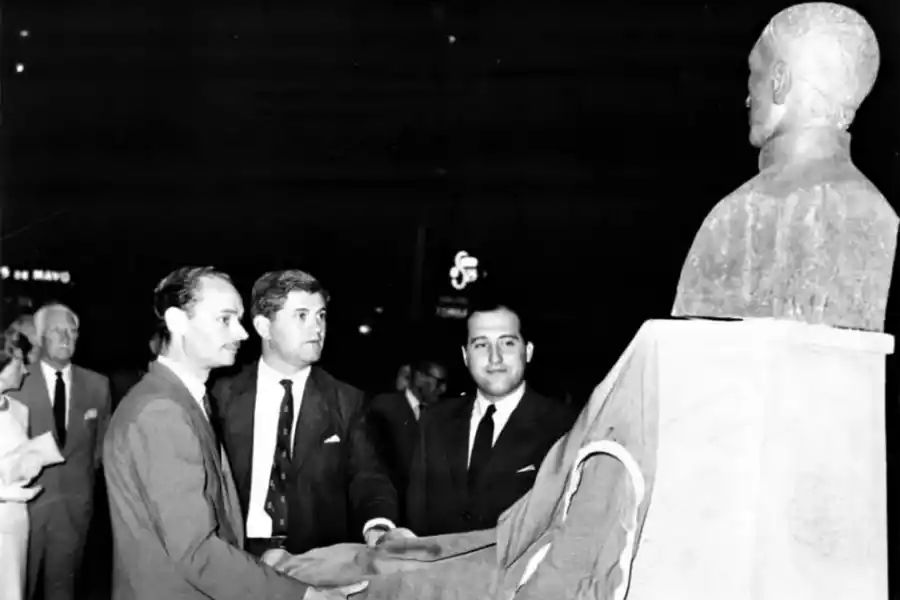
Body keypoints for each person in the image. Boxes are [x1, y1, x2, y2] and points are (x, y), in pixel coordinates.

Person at [103, 266, 349, 600]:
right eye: (225, 319)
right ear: (177, 321)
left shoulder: (183, 400)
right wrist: (304, 596)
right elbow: (197, 552)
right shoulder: (161, 411)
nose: (242, 333)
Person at [672, 2, 897, 332]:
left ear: (780, 80)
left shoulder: (736, 218)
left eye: (754, 74)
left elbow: (687, 362)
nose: (748, 97)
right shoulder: (885, 219)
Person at [212, 269, 404, 557]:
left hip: (312, 563)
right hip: (236, 558)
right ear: (264, 326)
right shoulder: (221, 398)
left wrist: (378, 527)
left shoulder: (347, 401)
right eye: (301, 316)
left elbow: (369, 477)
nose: (317, 328)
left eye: (321, 316)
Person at [407, 299, 577, 535]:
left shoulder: (564, 428)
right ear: (466, 355)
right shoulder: (434, 421)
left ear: (527, 351)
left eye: (507, 343)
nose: (494, 357)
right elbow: (417, 518)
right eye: (481, 345)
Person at [10, 303, 112, 600]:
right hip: (24, 511)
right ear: (40, 337)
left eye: (72, 330)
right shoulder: (17, 382)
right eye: (57, 331)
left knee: (63, 592)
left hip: (74, 511)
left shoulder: (98, 385)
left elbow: (99, 450)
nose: (66, 337)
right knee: (17, 590)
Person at [367, 358, 448, 524]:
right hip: (393, 515)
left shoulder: (443, 415)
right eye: (439, 382)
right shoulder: (383, 408)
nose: (443, 389)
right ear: (419, 377)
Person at [0, 331, 48, 600]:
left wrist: (33, 461)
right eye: (21, 363)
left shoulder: (19, 410)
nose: (27, 371)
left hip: (17, 517)